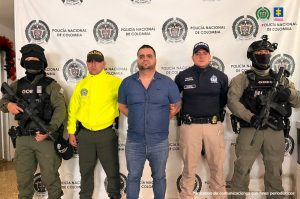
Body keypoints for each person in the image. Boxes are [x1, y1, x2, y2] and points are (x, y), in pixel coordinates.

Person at [227, 35, 300, 199]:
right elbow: (232, 102)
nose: (263, 54)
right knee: (241, 169)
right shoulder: (242, 79)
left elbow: (297, 102)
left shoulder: (281, 78)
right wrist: (251, 117)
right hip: (250, 128)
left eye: (267, 51)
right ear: (252, 55)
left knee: (274, 171)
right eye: (260, 51)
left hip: (275, 130)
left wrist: (288, 93)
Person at [0, 43, 66, 199]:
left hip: (45, 138)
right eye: (28, 59)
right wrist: (8, 104)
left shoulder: (52, 86)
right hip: (23, 139)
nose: (31, 61)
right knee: (23, 180)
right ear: (23, 62)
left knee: (50, 178)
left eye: (35, 59)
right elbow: (2, 103)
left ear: (42, 62)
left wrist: (48, 130)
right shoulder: (17, 85)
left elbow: (61, 109)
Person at [118, 44, 181, 199]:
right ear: (137, 60)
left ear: (155, 59)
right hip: (134, 141)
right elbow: (122, 106)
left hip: (159, 141)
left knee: (159, 177)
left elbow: (176, 105)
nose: (145, 59)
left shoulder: (167, 83)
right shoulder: (127, 83)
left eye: (149, 56)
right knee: (133, 177)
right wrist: (136, 117)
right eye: (141, 56)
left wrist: (161, 118)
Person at [175, 42, 228, 199]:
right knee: (189, 168)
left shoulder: (220, 77)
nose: (201, 56)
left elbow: (224, 99)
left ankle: (220, 196)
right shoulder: (182, 76)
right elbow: (172, 98)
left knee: (217, 166)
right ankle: (186, 196)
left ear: (210, 56)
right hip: (190, 127)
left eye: (204, 53)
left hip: (213, 126)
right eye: (197, 53)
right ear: (192, 57)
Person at [67, 50, 122, 199]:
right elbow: (73, 109)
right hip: (84, 135)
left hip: (106, 134)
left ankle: (115, 196)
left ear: (104, 64)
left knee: (112, 171)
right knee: (85, 171)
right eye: (90, 61)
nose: (93, 64)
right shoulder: (81, 84)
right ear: (87, 64)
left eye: (97, 61)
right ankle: (85, 197)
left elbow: (127, 103)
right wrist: (72, 131)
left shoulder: (115, 82)